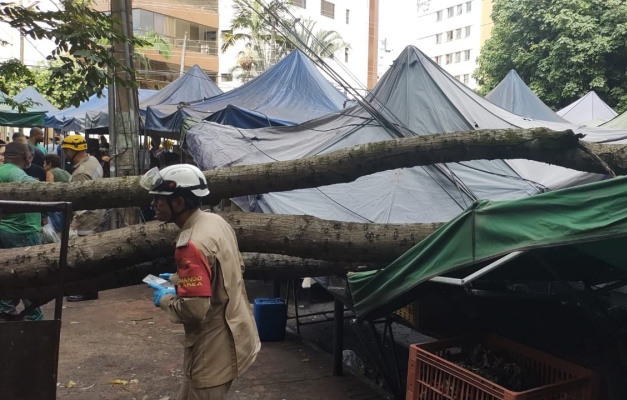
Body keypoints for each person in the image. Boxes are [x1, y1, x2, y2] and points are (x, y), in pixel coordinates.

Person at [141, 164, 260, 400]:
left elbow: (195, 310)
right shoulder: (215, 222)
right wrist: (180, 280)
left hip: (211, 349)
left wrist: (166, 299)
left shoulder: (190, 244)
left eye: (159, 199)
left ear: (179, 203)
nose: (153, 205)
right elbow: (232, 269)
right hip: (235, 331)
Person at [0, 142, 45, 321]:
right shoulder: (14, 172)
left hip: (5, 229)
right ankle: (34, 316)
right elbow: (31, 185)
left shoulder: (2, 170)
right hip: (23, 231)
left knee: (7, 272)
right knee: (29, 274)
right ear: (26, 156)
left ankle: (5, 310)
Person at [61, 134, 104, 302]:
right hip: (94, 214)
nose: (65, 154)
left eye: (66, 151)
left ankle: (88, 290)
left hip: (87, 218)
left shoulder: (81, 173)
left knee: (85, 254)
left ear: (71, 151)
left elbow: (83, 201)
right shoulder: (92, 161)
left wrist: (74, 223)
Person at [44, 153, 72, 235]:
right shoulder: (66, 172)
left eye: (45, 163)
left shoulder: (50, 172)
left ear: (50, 164)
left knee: (57, 231)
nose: (43, 165)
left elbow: (50, 189)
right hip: (67, 203)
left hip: (56, 206)